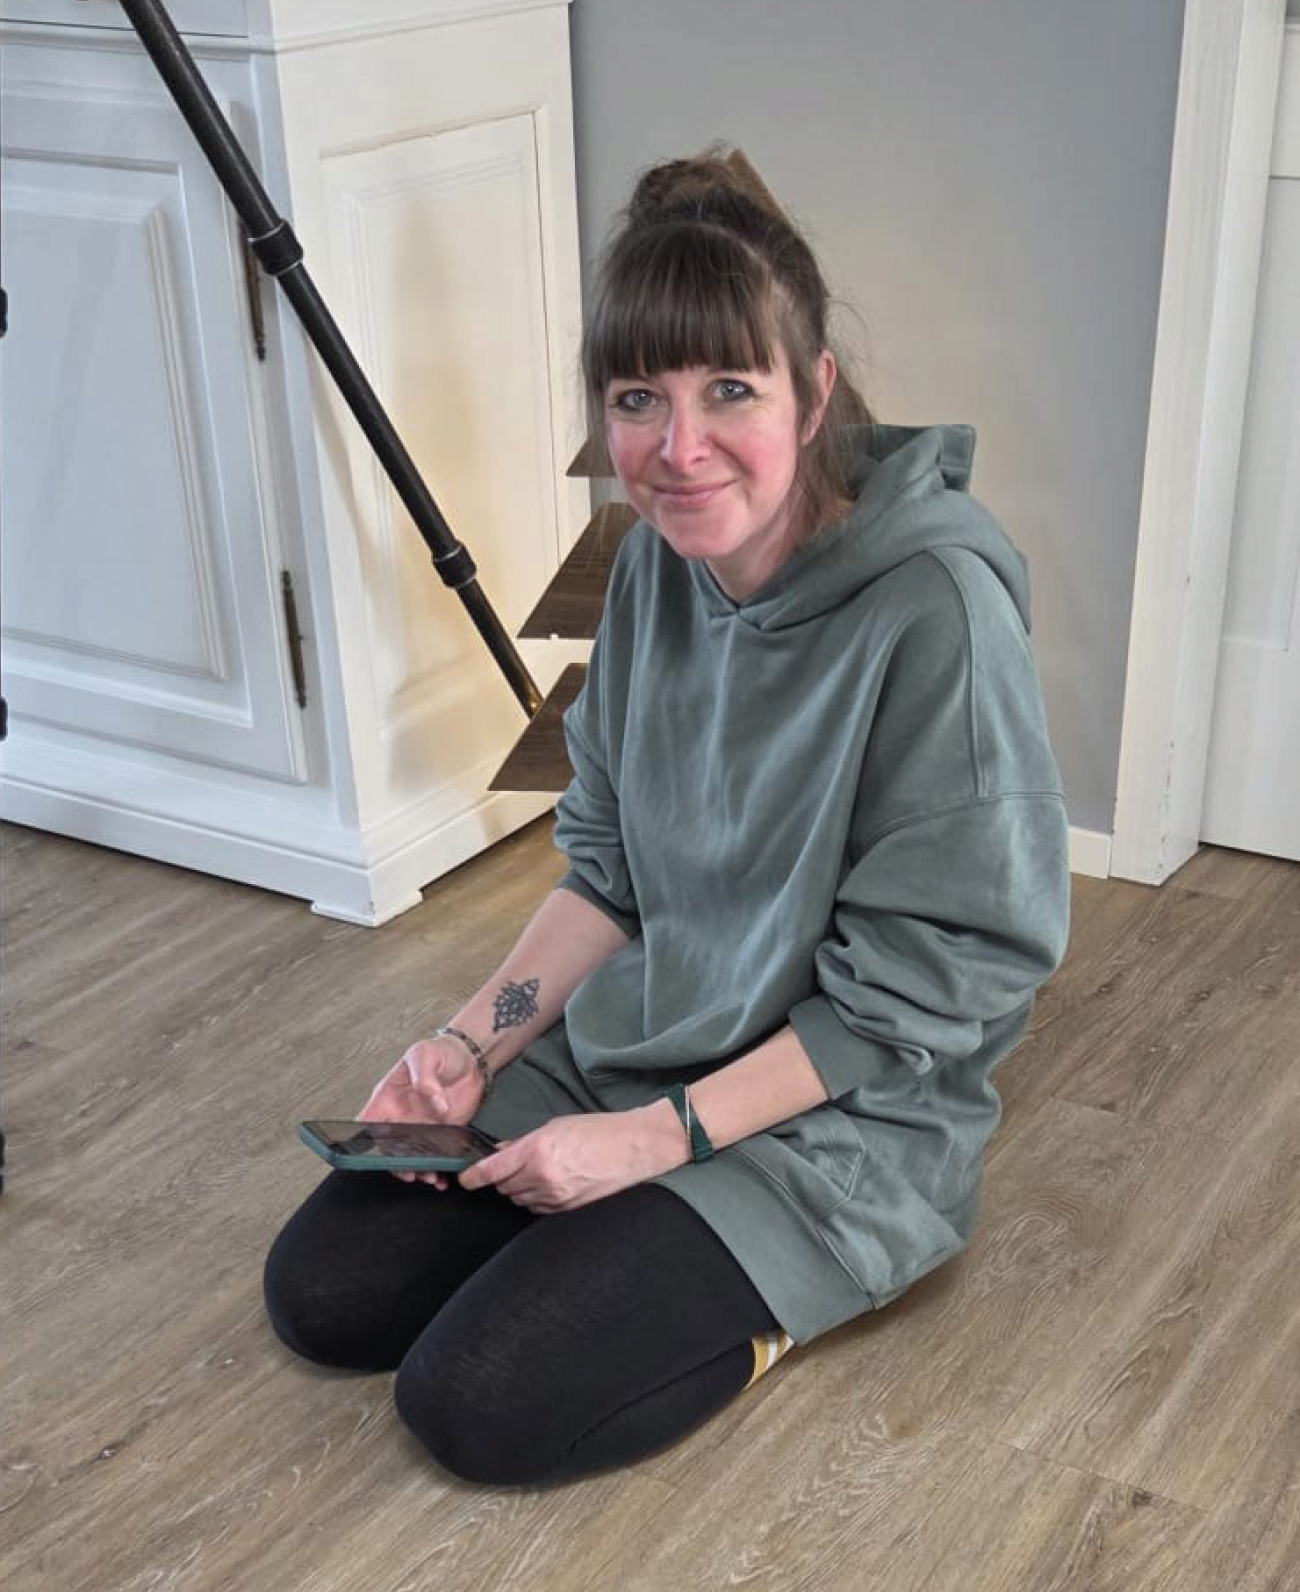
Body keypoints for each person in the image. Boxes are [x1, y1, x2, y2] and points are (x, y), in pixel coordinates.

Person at [263, 149, 1071, 1485]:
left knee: (480, 1405)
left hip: (839, 1117)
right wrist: (464, 1045)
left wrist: (652, 1146)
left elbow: (923, 997)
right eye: (640, 399)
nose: (679, 449)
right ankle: (612, 1232)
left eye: (729, 390)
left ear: (814, 392)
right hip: (647, 1043)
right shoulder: (652, 567)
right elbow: (606, 872)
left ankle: (769, 1297)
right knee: (329, 1294)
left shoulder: (935, 611)